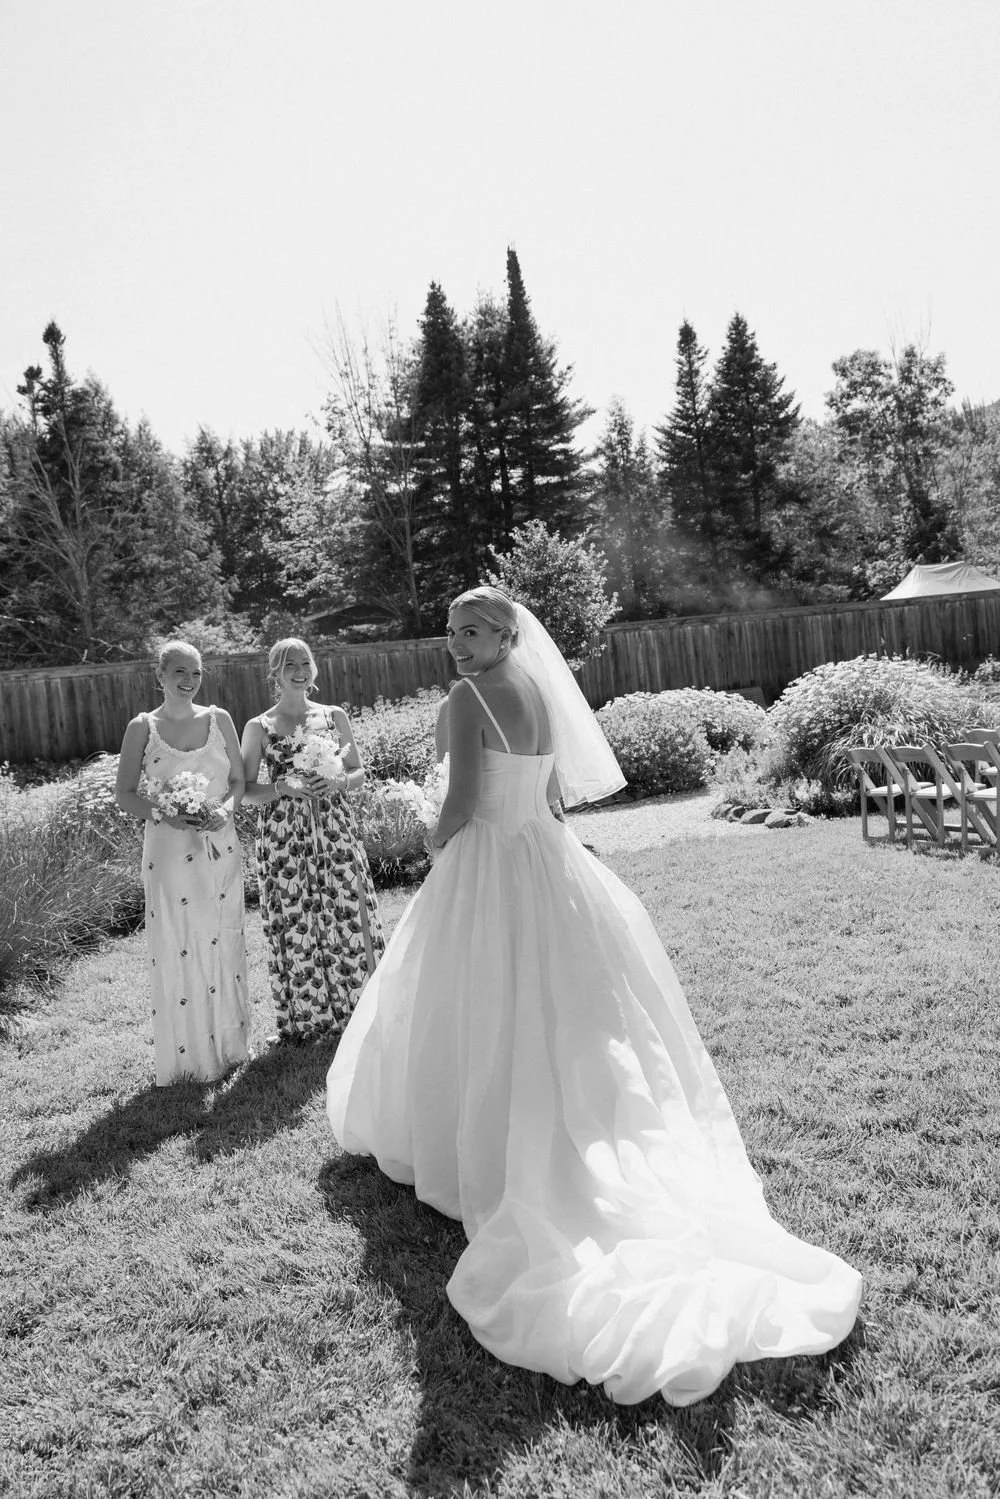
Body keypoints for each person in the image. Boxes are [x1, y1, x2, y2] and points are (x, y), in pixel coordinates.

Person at [327, 587, 862, 1408]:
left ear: (506, 634)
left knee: (474, 996)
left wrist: (431, 837)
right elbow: (546, 793)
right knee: (559, 1003)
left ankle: (479, 1130)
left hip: (488, 860)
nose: (457, 643)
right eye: (451, 631)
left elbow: (463, 800)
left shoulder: (469, 698)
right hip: (547, 856)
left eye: (472, 630)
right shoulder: (536, 687)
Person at [115, 640, 251, 1087]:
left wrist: (225, 810)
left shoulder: (219, 719)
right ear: (160, 676)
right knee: (179, 941)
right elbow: (125, 794)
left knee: (222, 936)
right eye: (179, 672)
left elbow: (238, 781)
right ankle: (187, 1058)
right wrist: (164, 813)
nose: (189, 680)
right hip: (169, 852)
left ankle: (230, 1046)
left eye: (196, 672)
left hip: (219, 844)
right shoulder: (142, 727)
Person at [241, 637, 384, 1041]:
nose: (299, 671)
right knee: (295, 917)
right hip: (284, 836)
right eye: (290, 664)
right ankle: (306, 1018)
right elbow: (245, 790)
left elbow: (358, 771)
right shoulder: (259, 726)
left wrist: (339, 780)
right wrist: (281, 787)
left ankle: (362, 1008)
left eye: (305, 662)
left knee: (347, 907)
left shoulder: (333, 715)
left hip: (334, 827)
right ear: (275, 672)